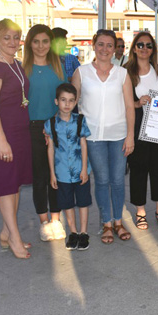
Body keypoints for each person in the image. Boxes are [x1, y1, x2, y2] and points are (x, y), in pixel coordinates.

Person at [72, 29, 135, 244]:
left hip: (118, 135)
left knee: (118, 181)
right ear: (93, 45)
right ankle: (106, 223)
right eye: (101, 44)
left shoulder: (122, 74)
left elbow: (129, 107)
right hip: (92, 137)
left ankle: (118, 221)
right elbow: (71, 105)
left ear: (115, 48)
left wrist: (130, 136)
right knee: (102, 180)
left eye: (110, 45)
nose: (105, 49)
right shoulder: (81, 73)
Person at [0, 19, 33, 259]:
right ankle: (14, 237)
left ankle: (5, 232)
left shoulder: (16, 64)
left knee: (15, 183)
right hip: (1, 134)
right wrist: (2, 140)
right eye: (6, 38)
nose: (12, 42)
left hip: (18, 132)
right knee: (5, 186)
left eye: (16, 37)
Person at [23, 24, 67, 242]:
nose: (41, 46)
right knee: (39, 177)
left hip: (56, 127)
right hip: (32, 129)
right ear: (30, 44)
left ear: (51, 43)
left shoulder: (58, 68)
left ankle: (56, 220)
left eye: (45, 41)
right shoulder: (23, 70)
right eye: (36, 41)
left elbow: (67, 100)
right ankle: (43, 222)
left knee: (56, 176)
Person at [125, 32, 158, 229]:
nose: (144, 49)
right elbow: (119, 102)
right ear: (134, 48)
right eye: (140, 45)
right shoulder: (126, 72)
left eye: (149, 45)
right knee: (138, 171)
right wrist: (136, 103)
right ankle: (140, 212)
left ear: (153, 50)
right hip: (138, 129)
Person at [46, 83, 91, 251]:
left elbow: (84, 144)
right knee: (67, 203)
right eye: (63, 100)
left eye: (71, 101)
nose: (67, 104)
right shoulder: (50, 123)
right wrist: (52, 173)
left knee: (83, 202)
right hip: (62, 172)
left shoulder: (80, 120)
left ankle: (84, 232)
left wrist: (85, 169)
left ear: (75, 102)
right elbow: (50, 148)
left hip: (80, 171)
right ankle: (73, 232)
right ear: (56, 101)